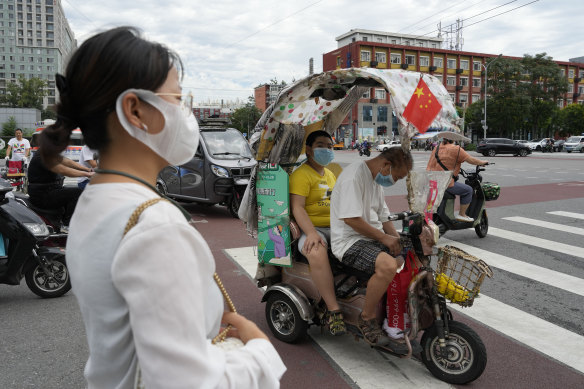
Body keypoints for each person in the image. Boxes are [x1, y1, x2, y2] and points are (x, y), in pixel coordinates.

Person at [39, 27, 285, 388]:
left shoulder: (96, 197)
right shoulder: (154, 224)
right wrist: (260, 350)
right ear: (135, 110)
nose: (186, 114)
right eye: (177, 99)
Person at [330, 148, 413, 350]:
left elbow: (384, 217)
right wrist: (386, 239)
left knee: (412, 252)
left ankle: (397, 309)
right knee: (387, 266)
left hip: (370, 237)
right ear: (386, 165)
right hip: (349, 241)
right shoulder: (353, 177)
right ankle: (366, 318)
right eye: (397, 176)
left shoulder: (376, 179)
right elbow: (351, 220)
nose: (396, 181)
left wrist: (397, 240)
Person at [289, 130, 345, 336]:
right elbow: (298, 208)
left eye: (330, 146)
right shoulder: (301, 175)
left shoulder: (330, 174)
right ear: (309, 150)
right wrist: (311, 233)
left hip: (335, 228)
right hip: (312, 228)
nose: (327, 150)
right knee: (316, 250)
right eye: (321, 145)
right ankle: (333, 309)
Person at [27, 150, 93, 231]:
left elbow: (67, 162)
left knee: (71, 188)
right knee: (78, 193)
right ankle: (67, 225)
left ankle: (68, 220)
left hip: (51, 190)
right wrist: (87, 174)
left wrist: (87, 169)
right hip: (42, 195)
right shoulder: (42, 157)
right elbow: (64, 170)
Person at [426, 138, 487, 222]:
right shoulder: (456, 149)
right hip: (446, 183)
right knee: (468, 190)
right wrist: (482, 162)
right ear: (453, 139)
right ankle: (462, 214)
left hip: (432, 182)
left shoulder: (436, 148)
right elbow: (470, 159)